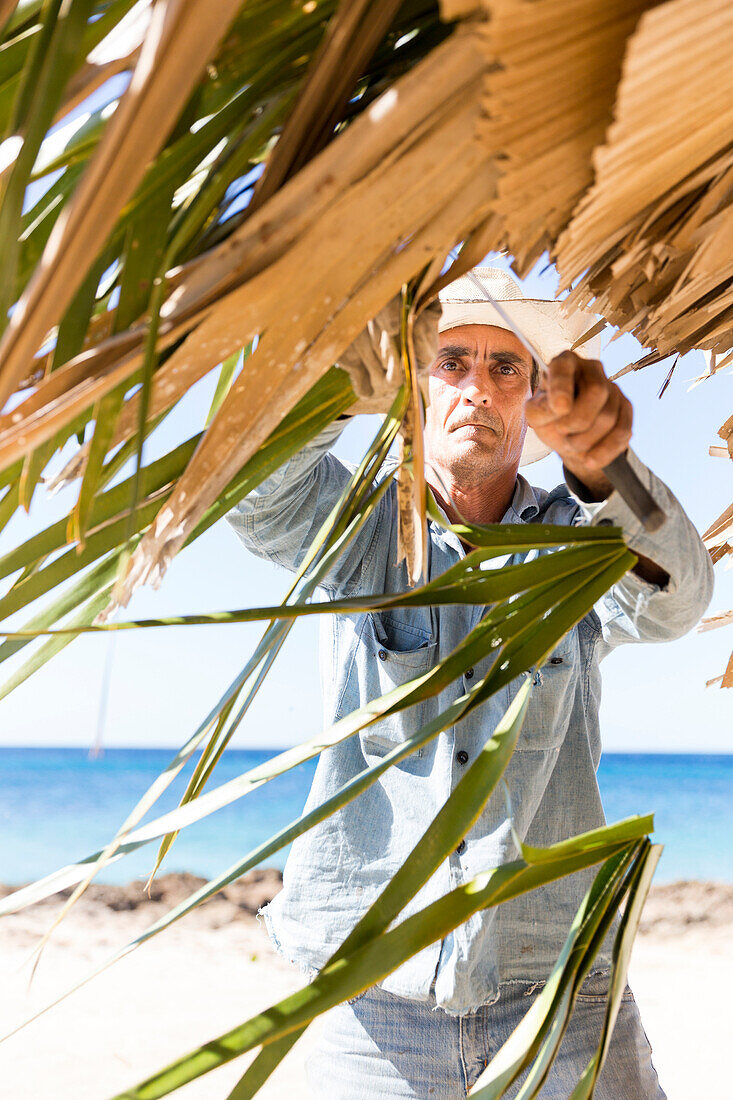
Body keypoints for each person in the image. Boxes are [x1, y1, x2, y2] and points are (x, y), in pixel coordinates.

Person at [226, 267, 713, 1098]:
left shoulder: (576, 536)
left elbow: (676, 604)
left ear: (531, 396)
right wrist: (346, 383)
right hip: (374, 997)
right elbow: (257, 497)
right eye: (450, 362)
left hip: (561, 990)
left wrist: (607, 476)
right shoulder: (360, 531)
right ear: (414, 383)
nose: (476, 391)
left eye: (504, 368)